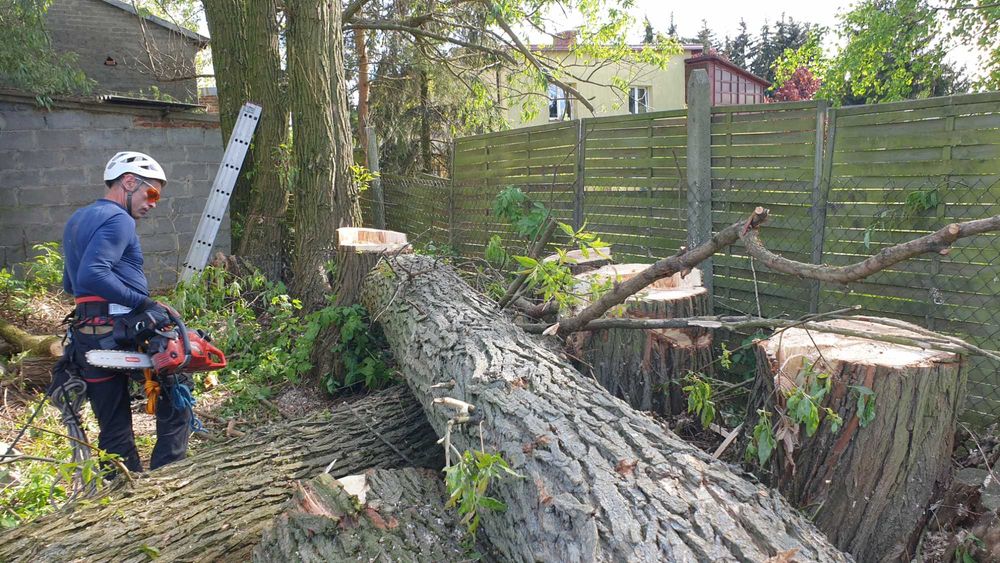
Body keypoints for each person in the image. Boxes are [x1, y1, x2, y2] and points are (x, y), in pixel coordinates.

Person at [59, 151, 192, 473]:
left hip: (89, 334)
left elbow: (70, 283)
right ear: (129, 182)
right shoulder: (119, 219)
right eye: (152, 192)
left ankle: (122, 483)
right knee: (180, 373)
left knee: (112, 424)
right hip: (120, 330)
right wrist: (143, 304)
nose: (154, 202)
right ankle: (169, 472)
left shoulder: (78, 218)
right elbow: (93, 274)